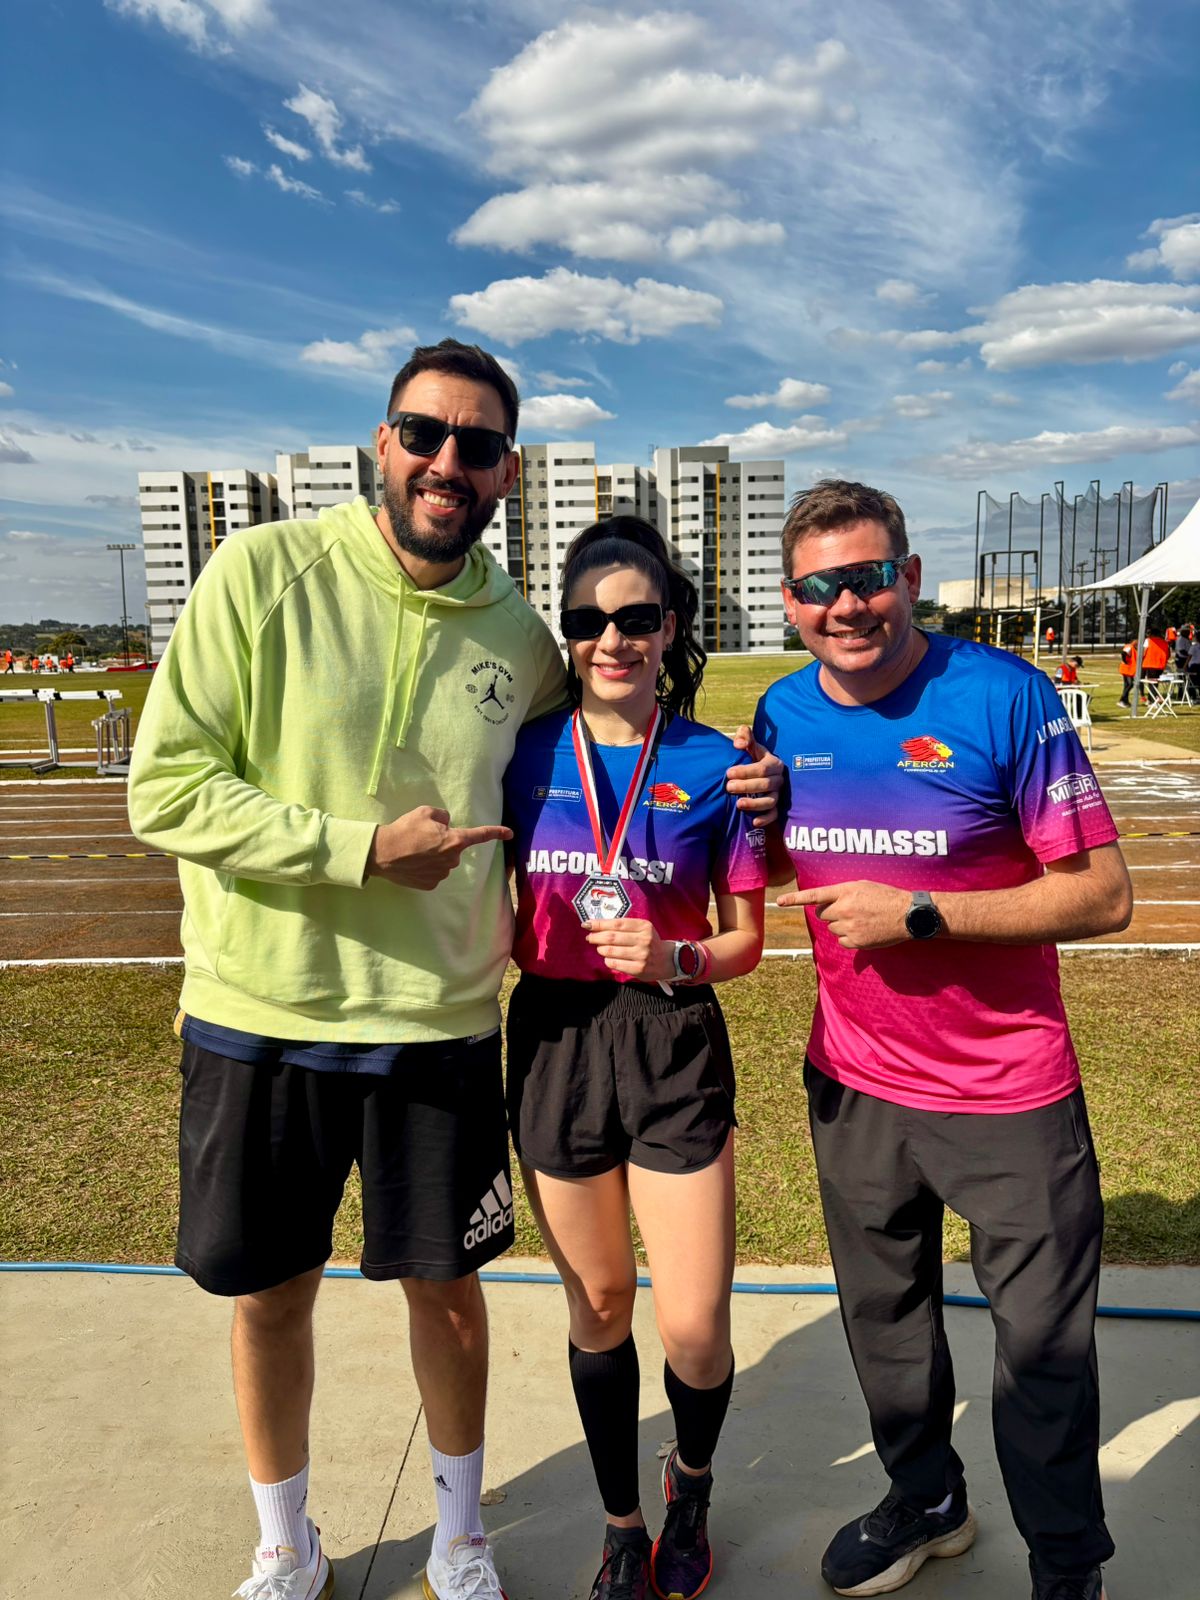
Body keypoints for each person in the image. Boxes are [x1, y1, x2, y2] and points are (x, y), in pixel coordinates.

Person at [127, 338, 782, 1600]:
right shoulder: (260, 570)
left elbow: (618, 756)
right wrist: (360, 850)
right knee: (271, 1296)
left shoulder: (521, 638)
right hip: (260, 1013)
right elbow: (164, 787)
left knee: (450, 1291)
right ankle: (285, 1542)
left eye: (477, 445)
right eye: (424, 434)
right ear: (383, 442)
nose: (446, 462)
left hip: (437, 1026)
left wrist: (757, 789)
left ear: (507, 472)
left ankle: (463, 1534)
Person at [752, 480, 1131, 1600]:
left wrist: (924, 912)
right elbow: (773, 866)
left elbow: (1102, 893)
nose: (848, 605)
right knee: (886, 1325)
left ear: (909, 577)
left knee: (1044, 1355)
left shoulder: (1003, 696)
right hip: (856, 1080)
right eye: (820, 587)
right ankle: (926, 1500)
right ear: (790, 601)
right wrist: (747, 822)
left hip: (1008, 1089)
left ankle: (1066, 1565)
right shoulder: (781, 713)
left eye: (869, 577)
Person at [503, 517, 767, 1600]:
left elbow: (746, 941)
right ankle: (622, 1526)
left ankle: (689, 1483)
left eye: (636, 617)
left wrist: (674, 955)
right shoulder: (521, 754)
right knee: (601, 1304)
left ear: (669, 628)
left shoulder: (718, 765)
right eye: (587, 619)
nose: (611, 639)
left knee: (695, 1326)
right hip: (556, 1036)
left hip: (672, 1032)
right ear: (565, 632)